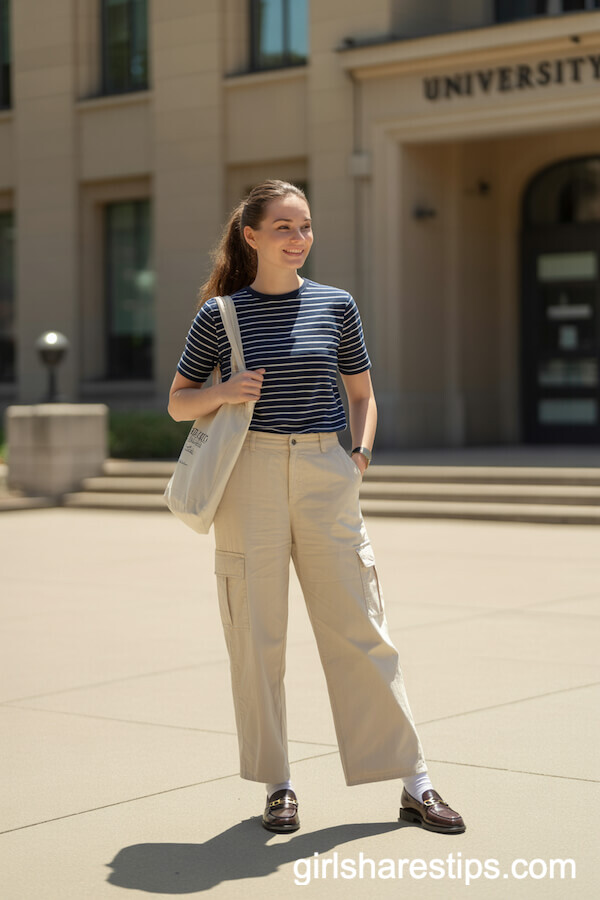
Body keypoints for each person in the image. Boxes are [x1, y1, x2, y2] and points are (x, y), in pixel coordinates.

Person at [167, 180, 465, 836]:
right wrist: (222, 390)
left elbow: (362, 392)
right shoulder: (220, 316)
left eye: (305, 227)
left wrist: (356, 457)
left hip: (326, 472)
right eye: (283, 227)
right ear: (251, 236)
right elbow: (178, 400)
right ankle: (278, 785)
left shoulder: (336, 305)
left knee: (364, 628)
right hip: (249, 478)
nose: (298, 238)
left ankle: (415, 781)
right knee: (257, 635)